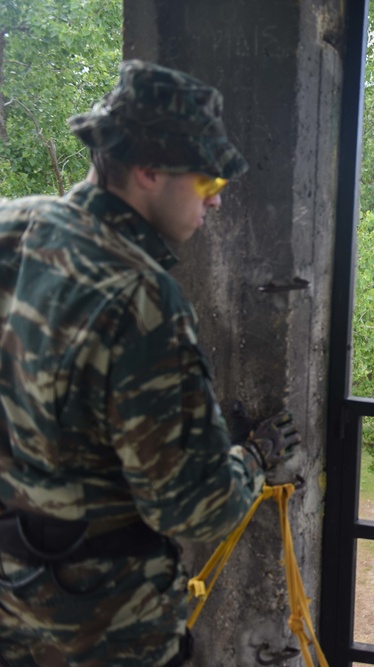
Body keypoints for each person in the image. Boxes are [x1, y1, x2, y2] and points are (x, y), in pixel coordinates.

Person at [0, 61, 300, 667]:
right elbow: (194, 505)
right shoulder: (141, 298)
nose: (216, 203)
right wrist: (252, 457)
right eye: (208, 182)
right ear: (148, 171)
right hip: (106, 623)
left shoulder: (11, 227)